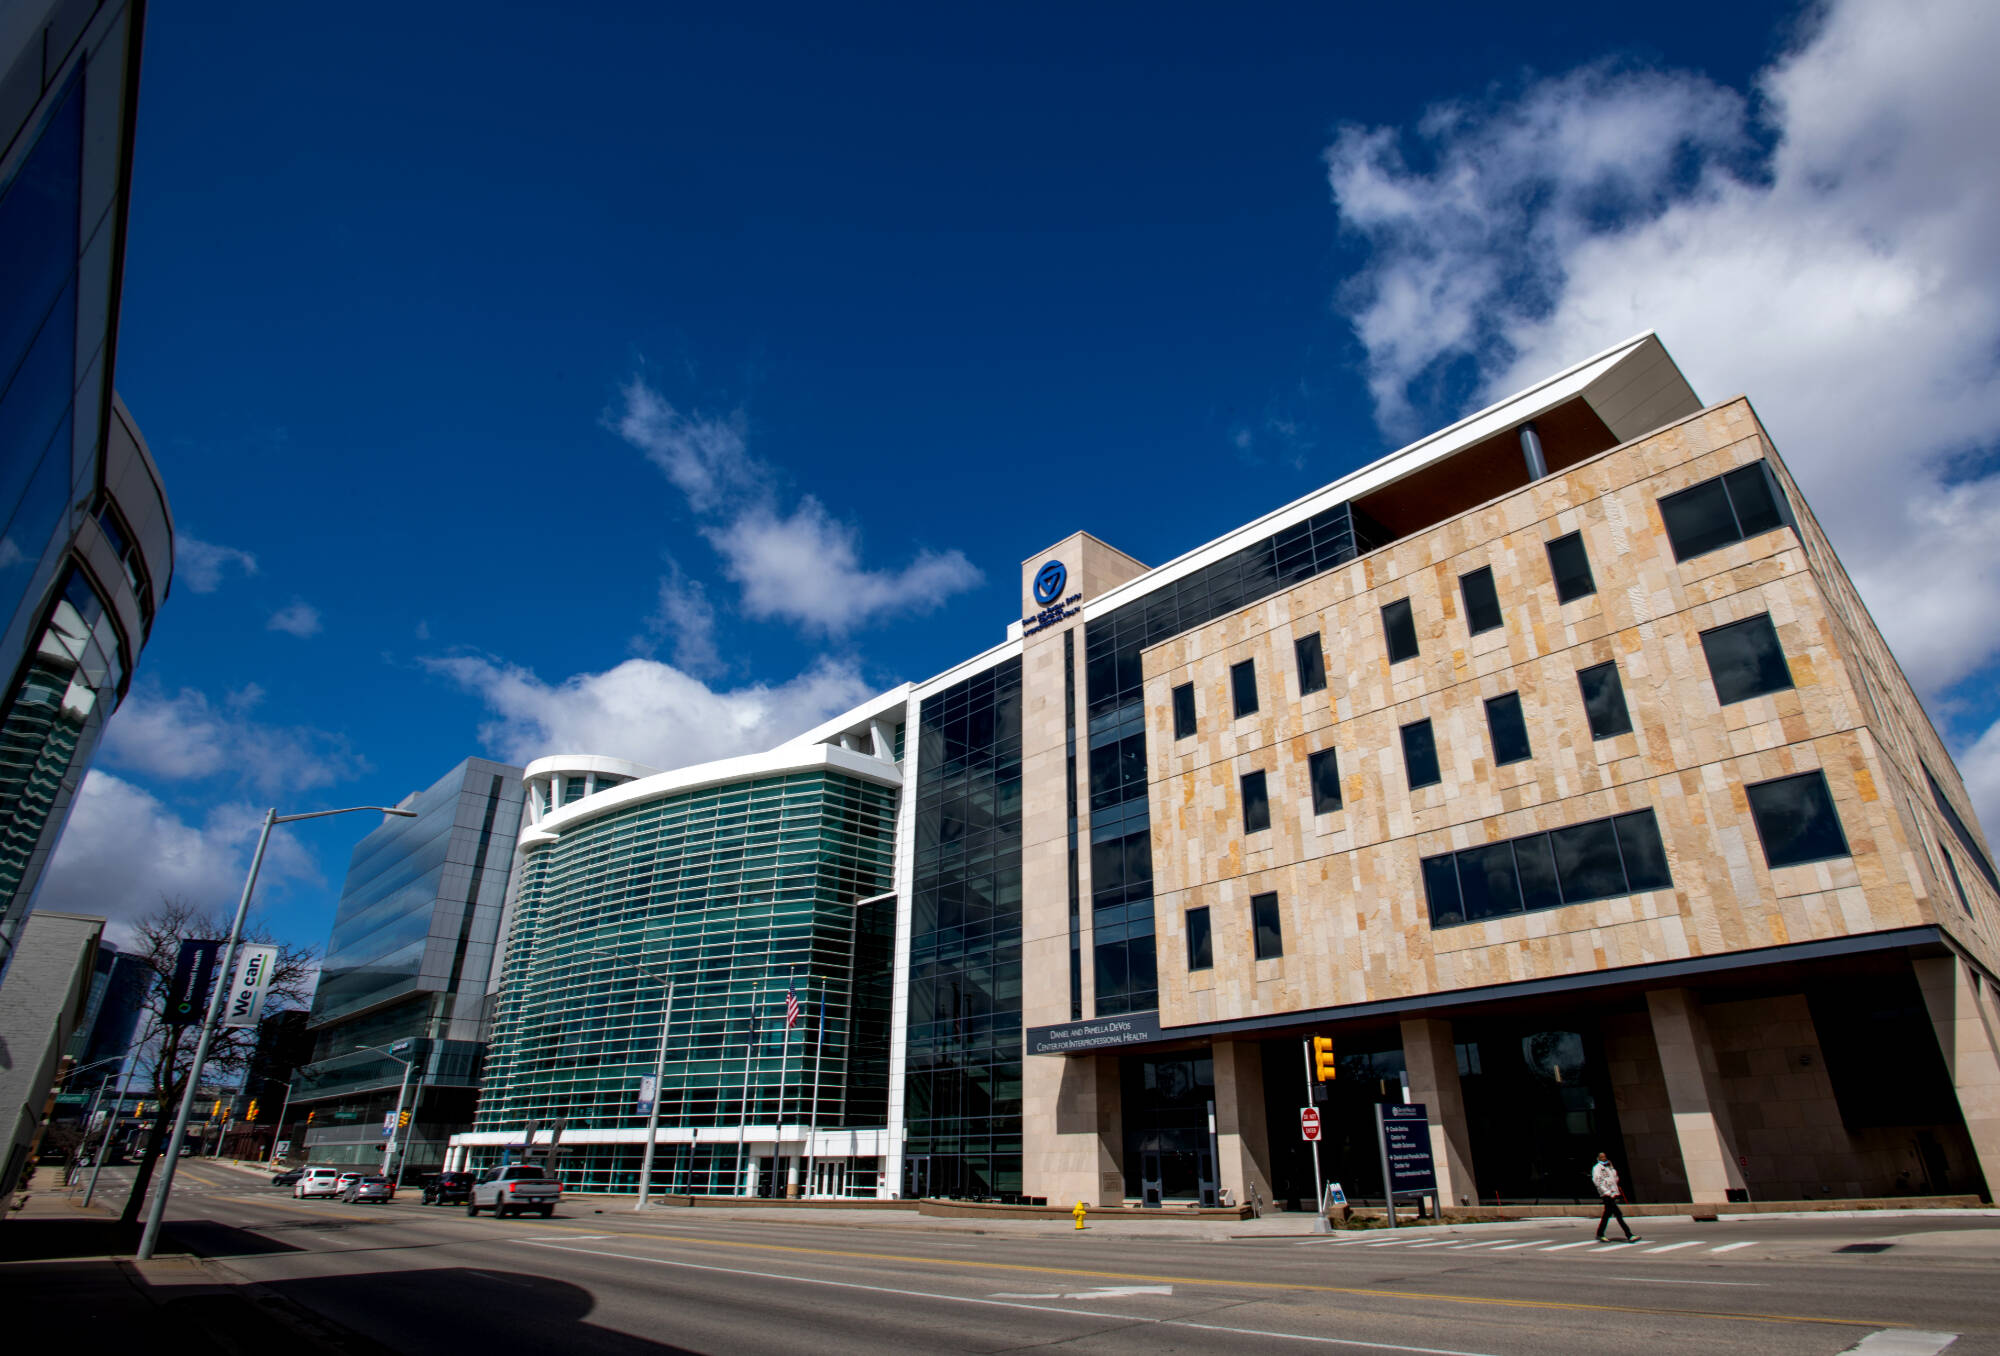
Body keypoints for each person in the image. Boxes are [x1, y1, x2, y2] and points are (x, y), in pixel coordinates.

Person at [1591, 1152, 1640, 1243]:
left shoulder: (1608, 1167)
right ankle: (1629, 1235)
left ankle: (1600, 1233)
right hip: (1607, 1195)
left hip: (1613, 1193)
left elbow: (1615, 1179)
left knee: (1606, 1215)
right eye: (1601, 1157)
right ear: (1598, 1158)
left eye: (1605, 1156)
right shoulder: (1597, 1168)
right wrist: (1606, 1191)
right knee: (1618, 1214)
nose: (1603, 1158)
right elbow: (1597, 1181)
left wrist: (1612, 1168)